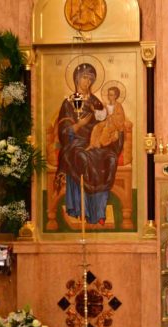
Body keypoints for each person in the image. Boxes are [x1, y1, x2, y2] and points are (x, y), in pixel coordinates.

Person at [54, 63, 123, 225]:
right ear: (77, 78)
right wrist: (79, 125)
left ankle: (99, 212)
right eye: (85, 77)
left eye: (91, 79)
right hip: (75, 143)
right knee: (83, 158)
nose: (88, 82)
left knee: (110, 158)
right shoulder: (69, 102)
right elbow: (64, 131)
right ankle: (81, 209)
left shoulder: (95, 102)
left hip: (96, 142)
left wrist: (110, 131)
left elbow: (104, 121)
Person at [86, 86, 127, 151]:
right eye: (108, 94)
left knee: (105, 130)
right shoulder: (106, 105)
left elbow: (121, 117)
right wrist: (94, 110)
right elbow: (103, 114)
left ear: (115, 96)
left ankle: (99, 144)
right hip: (107, 122)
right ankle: (92, 144)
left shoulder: (118, 106)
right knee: (97, 127)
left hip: (114, 124)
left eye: (111, 95)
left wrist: (112, 117)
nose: (109, 96)